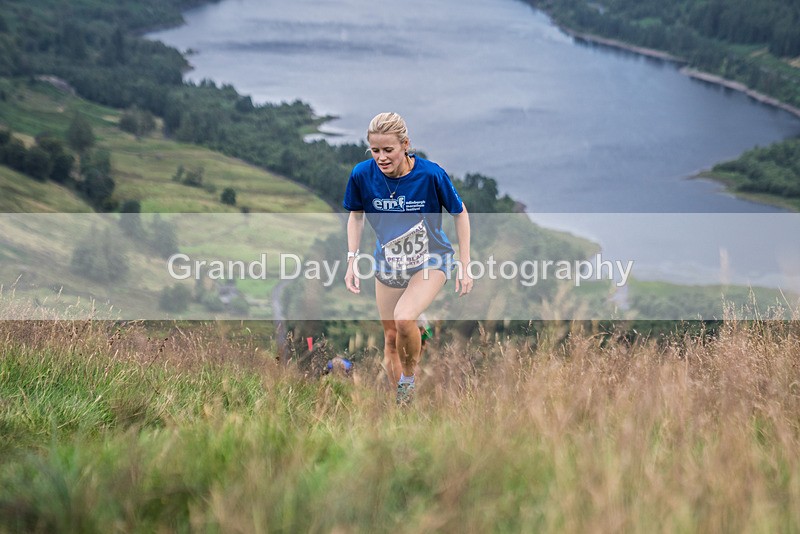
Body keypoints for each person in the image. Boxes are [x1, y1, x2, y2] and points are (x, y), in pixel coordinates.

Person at [343, 112, 472, 405]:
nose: (381, 157)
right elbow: (356, 216)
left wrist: (465, 265)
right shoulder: (362, 174)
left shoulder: (430, 175)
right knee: (391, 339)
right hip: (388, 263)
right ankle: (402, 407)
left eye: (388, 150)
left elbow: (460, 213)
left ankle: (408, 383)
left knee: (403, 318)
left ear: (405, 144)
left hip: (431, 260)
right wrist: (352, 260)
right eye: (375, 150)